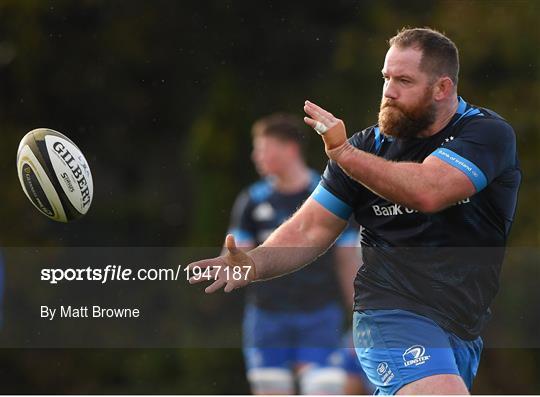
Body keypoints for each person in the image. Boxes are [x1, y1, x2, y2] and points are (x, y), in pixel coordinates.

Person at [188, 27, 521, 395]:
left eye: (404, 80)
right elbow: (310, 229)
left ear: (442, 88)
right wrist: (254, 262)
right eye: (386, 78)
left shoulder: (484, 134)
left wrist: (344, 154)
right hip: (390, 312)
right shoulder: (365, 148)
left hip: (462, 326)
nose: (389, 91)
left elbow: (430, 189)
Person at [227, 113, 363, 394]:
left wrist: (363, 314)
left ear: (290, 149)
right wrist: (228, 263)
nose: (256, 156)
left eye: (263, 148)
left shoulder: (328, 193)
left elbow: (348, 260)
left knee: (323, 390)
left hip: (319, 315)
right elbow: (236, 257)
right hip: (268, 316)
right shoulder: (251, 201)